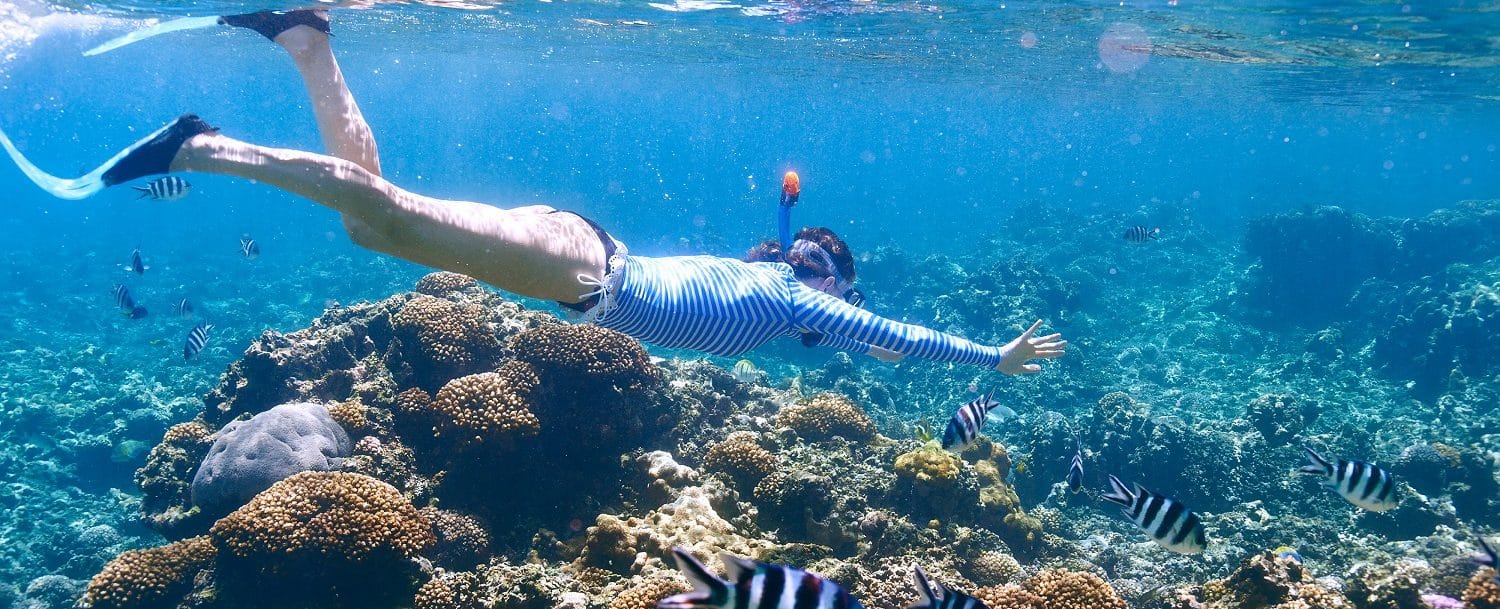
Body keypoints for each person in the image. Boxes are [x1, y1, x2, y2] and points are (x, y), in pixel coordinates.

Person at [0, 10, 1066, 374]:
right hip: (587, 272)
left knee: (377, 221)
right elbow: (896, 336)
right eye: (819, 262)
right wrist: (996, 358)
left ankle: (308, 43)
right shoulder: (792, 299)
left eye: (825, 268)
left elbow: (864, 336)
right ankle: (203, 147)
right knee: (392, 218)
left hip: (584, 260)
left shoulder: (782, 301)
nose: (816, 274)